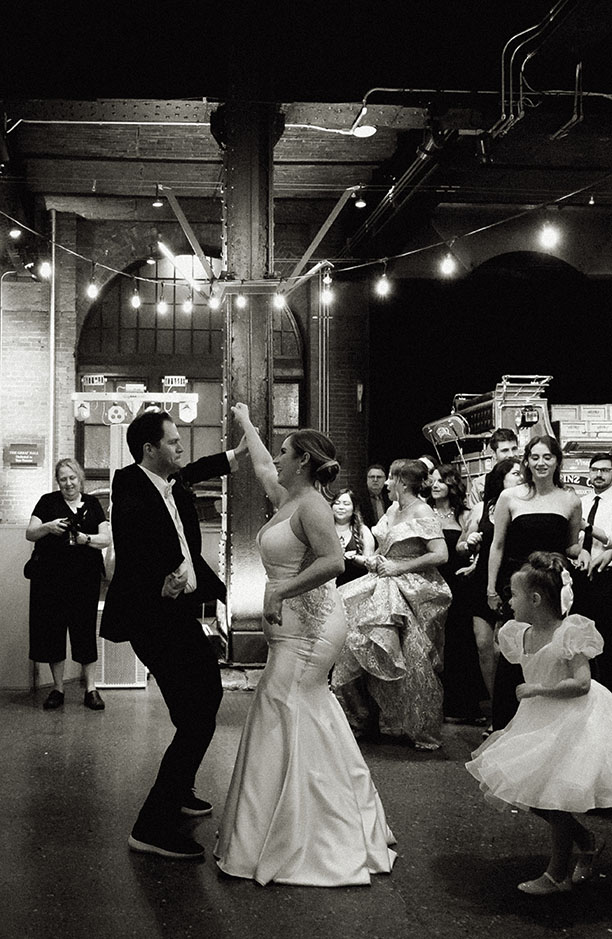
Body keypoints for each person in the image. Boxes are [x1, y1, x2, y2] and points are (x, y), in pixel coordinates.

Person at [215, 403, 396, 886]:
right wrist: (247, 422)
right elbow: (257, 466)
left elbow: (334, 562)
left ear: (302, 462)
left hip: (312, 625)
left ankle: (313, 833)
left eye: (283, 451)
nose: (275, 457)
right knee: (301, 708)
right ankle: (330, 809)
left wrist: (279, 589)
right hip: (289, 624)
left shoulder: (314, 503)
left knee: (284, 700)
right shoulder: (287, 498)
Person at [100, 409, 246, 860]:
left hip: (176, 613)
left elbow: (194, 470)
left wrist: (234, 456)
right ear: (149, 450)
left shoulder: (173, 486)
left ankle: (178, 788)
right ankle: (151, 826)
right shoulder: (128, 483)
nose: (180, 447)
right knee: (201, 712)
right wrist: (156, 581)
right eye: (172, 442)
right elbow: (130, 541)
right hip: (151, 615)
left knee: (198, 705)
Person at [466, 552, 612, 895]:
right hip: (541, 719)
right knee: (533, 795)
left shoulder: (569, 633)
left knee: (554, 797)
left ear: (535, 599)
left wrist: (537, 689)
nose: (509, 601)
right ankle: (586, 840)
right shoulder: (520, 632)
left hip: (574, 717)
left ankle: (556, 874)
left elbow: (581, 683)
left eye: (514, 596)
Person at [333, 459, 451, 749]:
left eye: (390, 479)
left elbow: (441, 554)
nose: (385, 484)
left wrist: (400, 567)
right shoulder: (393, 509)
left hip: (411, 589)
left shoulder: (422, 510)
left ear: (402, 481)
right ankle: (365, 718)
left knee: (411, 657)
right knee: (355, 643)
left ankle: (415, 724)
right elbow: (384, 546)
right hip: (381, 582)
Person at [486, 435, 588, 730]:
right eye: (535, 457)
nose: (541, 463)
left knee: (556, 652)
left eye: (547, 457)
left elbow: (571, 546)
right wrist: (491, 587)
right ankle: (506, 725)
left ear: (557, 461)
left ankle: (552, 726)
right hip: (517, 584)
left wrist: (585, 552)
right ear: (526, 461)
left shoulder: (570, 499)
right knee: (512, 655)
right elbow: (498, 544)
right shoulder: (510, 497)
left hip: (555, 586)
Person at [26, 458, 110, 711]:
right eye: (63, 479)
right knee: (53, 632)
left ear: (80, 478)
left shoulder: (93, 504)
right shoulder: (47, 502)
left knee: (85, 631)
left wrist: (86, 539)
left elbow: (106, 538)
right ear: (58, 481)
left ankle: (91, 689)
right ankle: (57, 688)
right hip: (50, 580)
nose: (68, 483)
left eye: (72, 478)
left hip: (84, 580)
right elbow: (30, 533)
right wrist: (48, 527)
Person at [458, 458, 523, 701]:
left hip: (511, 577)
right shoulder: (481, 508)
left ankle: (510, 706)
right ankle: (496, 707)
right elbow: (460, 547)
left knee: (503, 648)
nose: (521, 477)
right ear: (501, 478)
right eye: (515, 473)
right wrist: (469, 542)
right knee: (483, 645)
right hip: (482, 579)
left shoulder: (523, 504)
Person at [429, 464, 486, 723]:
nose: (436, 484)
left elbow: (471, 547)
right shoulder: (425, 512)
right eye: (433, 480)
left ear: (452, 484)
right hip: (431, 581)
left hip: (459, 583)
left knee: (460, 642)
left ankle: (463, 704)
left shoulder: (464, 515)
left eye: (441, 480)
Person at [573, 453, 612, 690]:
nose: (599, 474)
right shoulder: (582, 501)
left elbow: (609, 539)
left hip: (606, 575)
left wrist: (586, 526)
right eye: (595, 470)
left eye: (605, 470)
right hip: (581, 575)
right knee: (580, 635)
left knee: (606, 635)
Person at [331, 488, 376, 586]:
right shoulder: (325, 529)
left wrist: (353, 558)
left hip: (355, 585)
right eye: (337, 503)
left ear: (353, 508)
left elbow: (369, 562)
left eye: (346, 504)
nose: (341, 507)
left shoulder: (363, 531)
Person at [469, 428, 519, 507]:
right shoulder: (481, 484)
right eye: (505, 450)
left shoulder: (527, 477)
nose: (511, 455)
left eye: (514, 449)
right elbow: (474, 514)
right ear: (494, 454)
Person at [360, 463, 392, 530]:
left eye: (379, 477)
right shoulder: (359, 498)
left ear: (385, 479)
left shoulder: (391, 496)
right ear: (367, 479)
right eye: (372, 477)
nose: (375, 480)